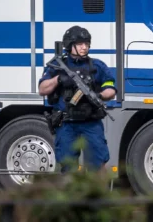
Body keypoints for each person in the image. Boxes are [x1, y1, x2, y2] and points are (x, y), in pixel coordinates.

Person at [38, 25, 117, 172]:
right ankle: (71, 195)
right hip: (66, 123)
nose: (84, 47)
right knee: (68, 166)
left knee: (98, 164)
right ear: (70, 45)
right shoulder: (56, 65)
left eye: (87, 44)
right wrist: (59, 80)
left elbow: (111, 90)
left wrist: (98, 95)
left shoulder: (97, 66)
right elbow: (42, 89)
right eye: (80, 44)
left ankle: (98, 194)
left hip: (91, 123)